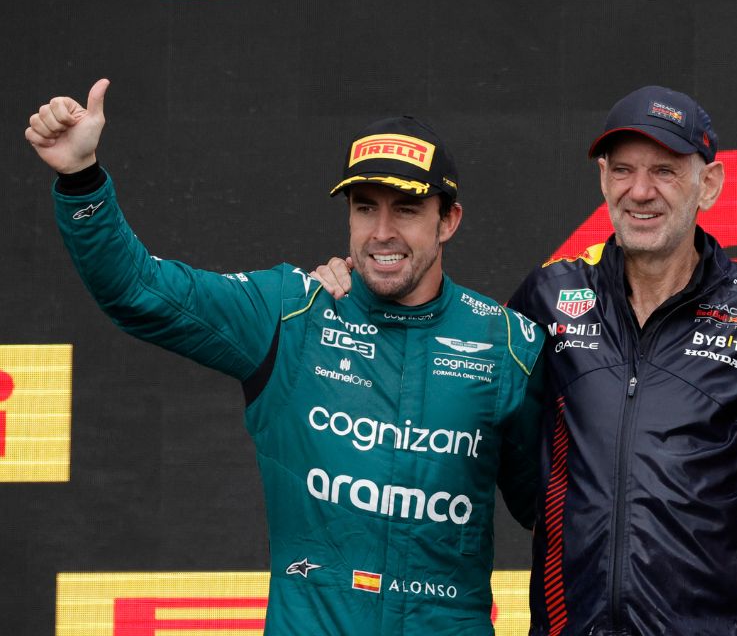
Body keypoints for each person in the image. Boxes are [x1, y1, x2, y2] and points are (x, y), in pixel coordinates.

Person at [24, 82, 545, 635]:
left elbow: (555, 514)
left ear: (448, 221)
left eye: (408, 209)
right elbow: (138, 289)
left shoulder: (507, 346)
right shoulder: (289, 315)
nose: (383, 232)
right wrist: (81, 179)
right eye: (365, 208)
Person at [316, 85, 737, 635]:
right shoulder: (550, 296)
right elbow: (450, 367)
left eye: (665, 171)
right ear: (602, 179)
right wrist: (350, 293)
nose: (639, 191)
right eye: (622, 170)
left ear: (708, 184)